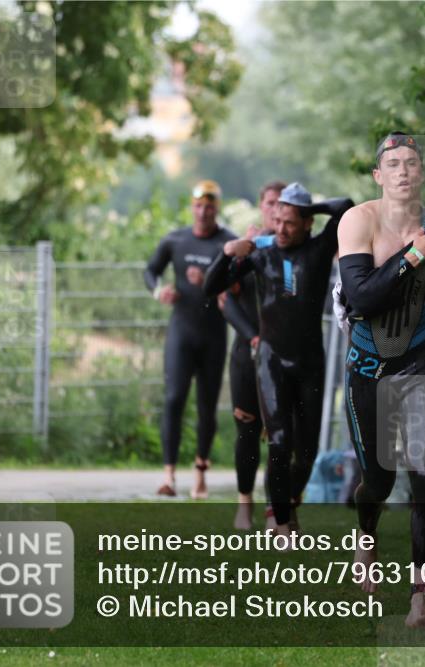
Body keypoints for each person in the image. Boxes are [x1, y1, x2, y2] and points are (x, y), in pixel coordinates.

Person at [336, 132, 425, 628]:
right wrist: (413, 256)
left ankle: (421, 596)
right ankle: (366, 539)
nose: (402, 170)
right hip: (367, 370)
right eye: (392, 163)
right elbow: (360, 299)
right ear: (379, 175)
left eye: (411, 163)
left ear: (422, 174)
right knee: (378, 479)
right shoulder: (359, 221)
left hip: (422, 367)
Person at [205, 182, 354, 539]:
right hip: (271, 360)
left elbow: (346, 206)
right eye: (278, 219)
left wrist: (307, 207)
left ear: (306, 224)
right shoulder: (261, 255)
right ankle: (280, 521)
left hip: (309, 362)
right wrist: (227, 253)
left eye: (290, 221)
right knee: (279, 440)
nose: (281, 228)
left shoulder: (321, 248)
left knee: (306, 452)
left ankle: (287, 503)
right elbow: (211, 288)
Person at [143, 180, 236, 498]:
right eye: (198, 205)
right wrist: (159, 291)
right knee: (173, 399)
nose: (204, 212)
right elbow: (150, 270)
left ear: (217, 209)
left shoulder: (228, 242)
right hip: (182, 331)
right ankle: (168, 476)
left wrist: (213, 281)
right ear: (192, 208)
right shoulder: (175, 240)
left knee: (207, 407)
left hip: (213, 334)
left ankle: (200, 473)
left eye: (210, 206)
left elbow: (240, 282)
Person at [218, 180, 286, 529]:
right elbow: (225, 299)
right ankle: (244, 504)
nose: (276, 209)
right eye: (270, 202)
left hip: (286, 355)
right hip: (247, 351)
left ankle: (281, 511)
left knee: (283, 435)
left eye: (282, 203)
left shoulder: (295, 249)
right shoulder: (250, 247)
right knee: (247, 429)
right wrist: (254, 337)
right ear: (262, 207)